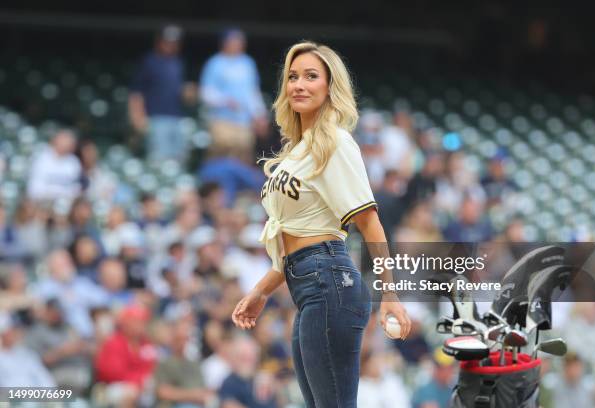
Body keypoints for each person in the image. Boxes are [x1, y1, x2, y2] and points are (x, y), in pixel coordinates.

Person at [231, 42, 411, 407]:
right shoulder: (297, 151)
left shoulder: (335, 142)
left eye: (311, 76)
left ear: (330, 87)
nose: (298, 84)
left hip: (330, 282)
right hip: (310, 286)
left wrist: (389, 294)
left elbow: (368, 222)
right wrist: (261, 291)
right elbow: (296, 237)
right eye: (292, 77)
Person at [199, 28, 268, 163]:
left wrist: (260, 115)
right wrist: (224, 101)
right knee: (219, 157)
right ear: (225, 43)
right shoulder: (215, 63)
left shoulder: (248, 63)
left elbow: (253, 93)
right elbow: (206, 93)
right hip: (221, 121)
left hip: (244, 122)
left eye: (239, 41)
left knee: (243, 158)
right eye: (233, 41)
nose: (237, 44)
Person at [129, 24, 193, 163]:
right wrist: (138, 116)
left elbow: (182, 93)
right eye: (168, 41)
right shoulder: (149, 61)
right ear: (159, 41)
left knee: (177, 162)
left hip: (177, 119)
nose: (171, 45)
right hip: (156, 118)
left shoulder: (178, 63)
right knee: (158, 161)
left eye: (174, 42)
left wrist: (189, 93)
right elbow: (136, 92)